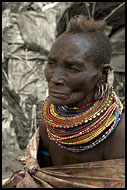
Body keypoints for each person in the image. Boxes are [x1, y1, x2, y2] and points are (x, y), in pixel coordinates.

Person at [2, 16, 125, 188]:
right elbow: (43, 179)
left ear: (103, 74)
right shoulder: (49, 125)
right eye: (51, 63)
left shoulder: (118, 133)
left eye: (72, 68)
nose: (54, 78)